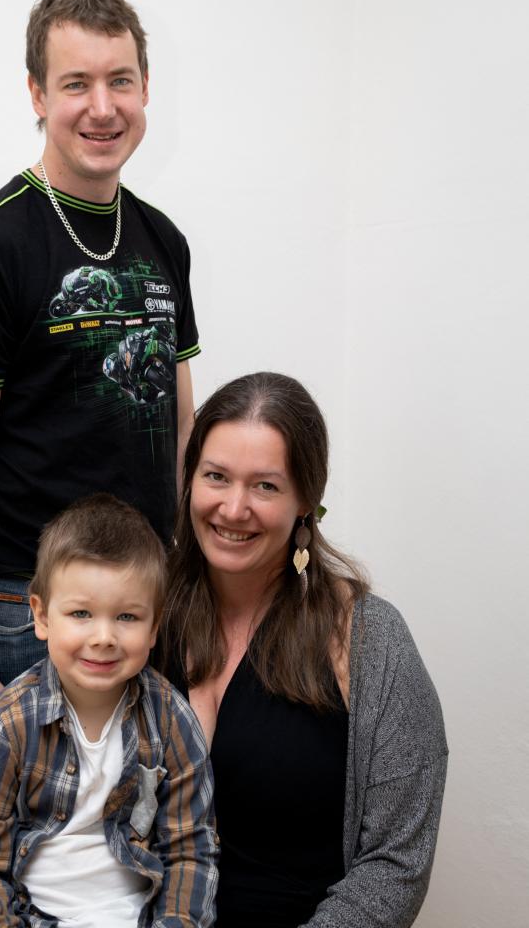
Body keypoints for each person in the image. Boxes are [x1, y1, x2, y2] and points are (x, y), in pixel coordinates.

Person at [0, 0, 200, 808]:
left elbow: (182, 427)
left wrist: (191, 601)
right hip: (24, 622)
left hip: (143, 609)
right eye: (76, 83)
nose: (102, 107)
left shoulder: (162, 240)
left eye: (120, 81)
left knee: (129, 856)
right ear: (37, 94)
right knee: (8, 865)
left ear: (145, 90)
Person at [155, 372, 448, 928]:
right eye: (216, 476)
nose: (233, 508)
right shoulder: (137, 617)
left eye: (265, 486)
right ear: (189, 479)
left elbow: (396, 864)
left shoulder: (368, 638)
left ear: (306, 500)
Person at [0, 494, 219, 928]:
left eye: (127, 617)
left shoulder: (171, 720)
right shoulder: (7, 726)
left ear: (154, 626)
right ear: (41, 616)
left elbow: (191, 853)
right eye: (81, 613)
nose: (103, 636)